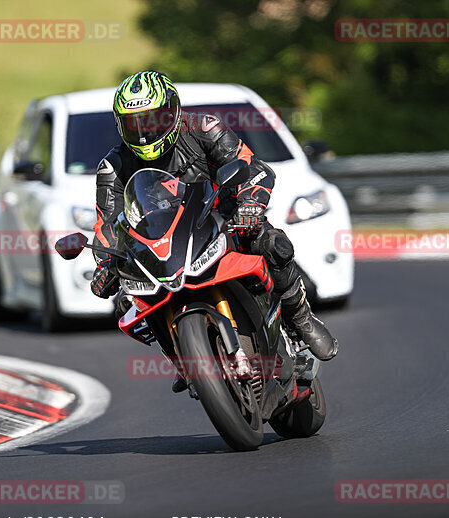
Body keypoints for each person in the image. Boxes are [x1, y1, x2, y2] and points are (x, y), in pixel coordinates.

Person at [90, 71, 338, 382]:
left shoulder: (204, 127)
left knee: (272, 243)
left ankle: (301, 319)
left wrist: (250, 205)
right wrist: (106, 263)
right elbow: (107, 223)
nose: (144, 133)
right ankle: (183, 354)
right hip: (163, 243)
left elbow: (252, 167)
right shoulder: (113, 166)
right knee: (127, 303)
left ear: (173, 110)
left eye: (153, 120)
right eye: (134, 124)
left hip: (223, 219)